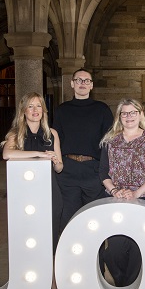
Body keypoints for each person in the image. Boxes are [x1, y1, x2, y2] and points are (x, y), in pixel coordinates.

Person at [1, 92, 64, 289]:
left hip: (50, 193)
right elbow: (7, 155)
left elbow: (59, 168)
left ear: (44, 111)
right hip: (26, 196)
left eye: (39, 106)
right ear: (23, 111)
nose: (35, 110)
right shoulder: (16, 134)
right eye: (30, 107)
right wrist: (38, 154)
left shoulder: (52, 133)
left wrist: (55, 160)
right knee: (28, 243)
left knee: (52, 244)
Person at [98, 99, 145, 287]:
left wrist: (136, 193)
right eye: (124, 113)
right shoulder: (110, 140)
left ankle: (132, 286)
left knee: (138, 246)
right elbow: (103, 171)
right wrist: (115, 190)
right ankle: (122, 283)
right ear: (119, 116)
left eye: (133, 112)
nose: (129, 117)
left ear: (140, 114)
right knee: (115, 248)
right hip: (115, 199)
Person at [53, 69, 114, 233]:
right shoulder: (61, 110)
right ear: (72, 84)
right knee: (69, 218)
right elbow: (56, 140)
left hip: (93, 170)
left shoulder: (102, 109)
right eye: (79, 80)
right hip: (68, 170)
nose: (82, 83)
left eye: (87, 80)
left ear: (92, 85)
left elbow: (109, 142)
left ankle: (96, 257)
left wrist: (103, 170)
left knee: (95, 218)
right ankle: (69, 256)